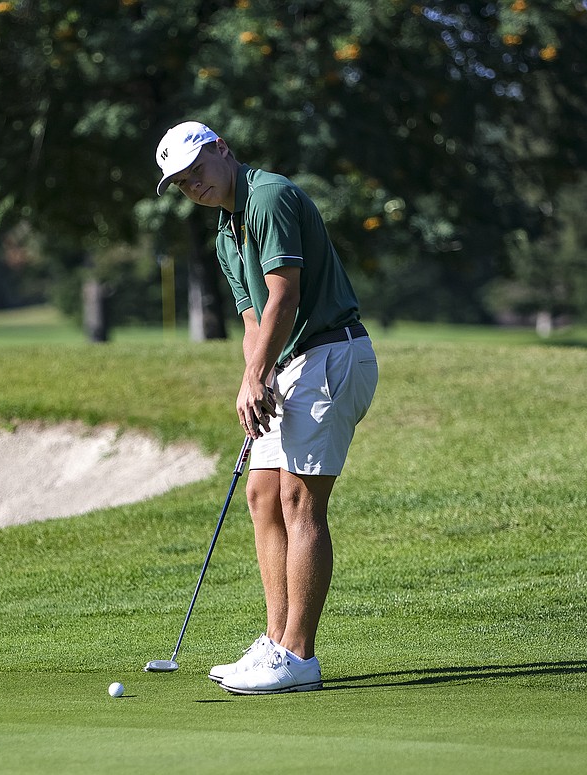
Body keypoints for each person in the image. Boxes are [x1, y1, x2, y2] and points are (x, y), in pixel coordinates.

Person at [155, 121, 379, 695]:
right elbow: (255, 317)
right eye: (180, 183)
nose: (193, 186)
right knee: (262, 497)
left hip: (331, 354)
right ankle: (275, 643)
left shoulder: (269, 195)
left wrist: (260, 372)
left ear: (222, 151)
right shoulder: (225, 235)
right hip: (291, 364)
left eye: (196, 171)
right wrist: (250, 379)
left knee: (299, 500)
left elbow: (286, 293)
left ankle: (298, 656)